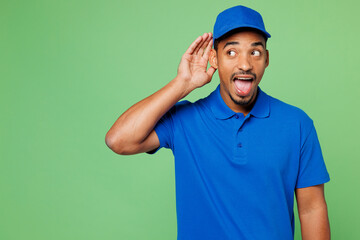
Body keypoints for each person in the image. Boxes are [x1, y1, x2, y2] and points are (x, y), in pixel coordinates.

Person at [105, 5, 330, 240]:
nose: (245, 64)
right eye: (231, 52)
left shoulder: (297, 124)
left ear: (266, 59)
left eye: (255, 52)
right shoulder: (184, 120)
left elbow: (312, 209)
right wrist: (183, 83)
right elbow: (118, 140)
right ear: (214, 57)